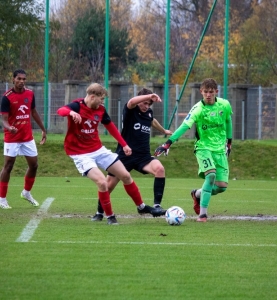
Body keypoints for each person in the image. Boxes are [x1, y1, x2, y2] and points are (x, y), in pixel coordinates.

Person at [57, 83, 165, 225]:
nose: (103, 102)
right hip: (80, 153)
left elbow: (111, 127)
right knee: (103, 183)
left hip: (98, 149)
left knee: (126, 176)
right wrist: (71, 113)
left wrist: (124, 144)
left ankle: (142, 207)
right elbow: (61, 110)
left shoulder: (100, 110)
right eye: (101, 99)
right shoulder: (77, 106)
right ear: (92, 96)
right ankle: (109, 216)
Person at [154, 78, 233, 222]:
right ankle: (203, 215)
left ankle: (197, 194)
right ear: (201, 92)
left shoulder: (224, 105)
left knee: (222, 187)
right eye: (205, 92)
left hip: (219, 149)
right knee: (211, 175)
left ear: (216, 92)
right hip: (203, 147)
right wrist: (168, 143)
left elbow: (228, 121)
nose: (208, 95)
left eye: (211, 92)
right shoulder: (198, 109)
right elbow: (184, 126)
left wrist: (229, 143)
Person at [92, 88, 172, 221]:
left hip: (143, 156)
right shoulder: (130, 109)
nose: (146, 106)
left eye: (149, 104)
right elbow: (131, 101)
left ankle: (157, 206)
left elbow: (152, 120)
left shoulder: (149, 113)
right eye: (144, 103)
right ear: (140, 99)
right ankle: (99, 212)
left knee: (160, 169)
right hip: (125, 156)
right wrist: (149, 96)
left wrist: (164, 130)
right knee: (108, 185)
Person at [0, 69, 47, 209]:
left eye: (24, 79)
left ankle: (26, 193)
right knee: (8, 166)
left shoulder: (30, 94)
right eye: (19, 79)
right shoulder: (6, 97)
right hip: (12, 137)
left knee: (34, 165)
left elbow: (33, 112)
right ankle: (2, 199)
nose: (21, 81)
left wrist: (43, 129)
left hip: (27, 137)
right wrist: (10, 128)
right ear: (13, 79)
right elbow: (4, 120)